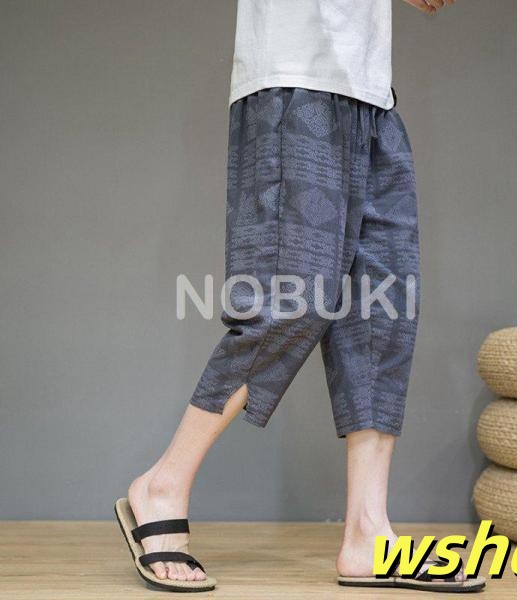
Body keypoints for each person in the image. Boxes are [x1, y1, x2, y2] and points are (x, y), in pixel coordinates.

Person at [115, 0, 486, 593]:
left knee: (383, 314)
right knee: (290, 301)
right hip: (293, 81)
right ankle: (161, 485)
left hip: (373, 95)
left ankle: (367, 533)